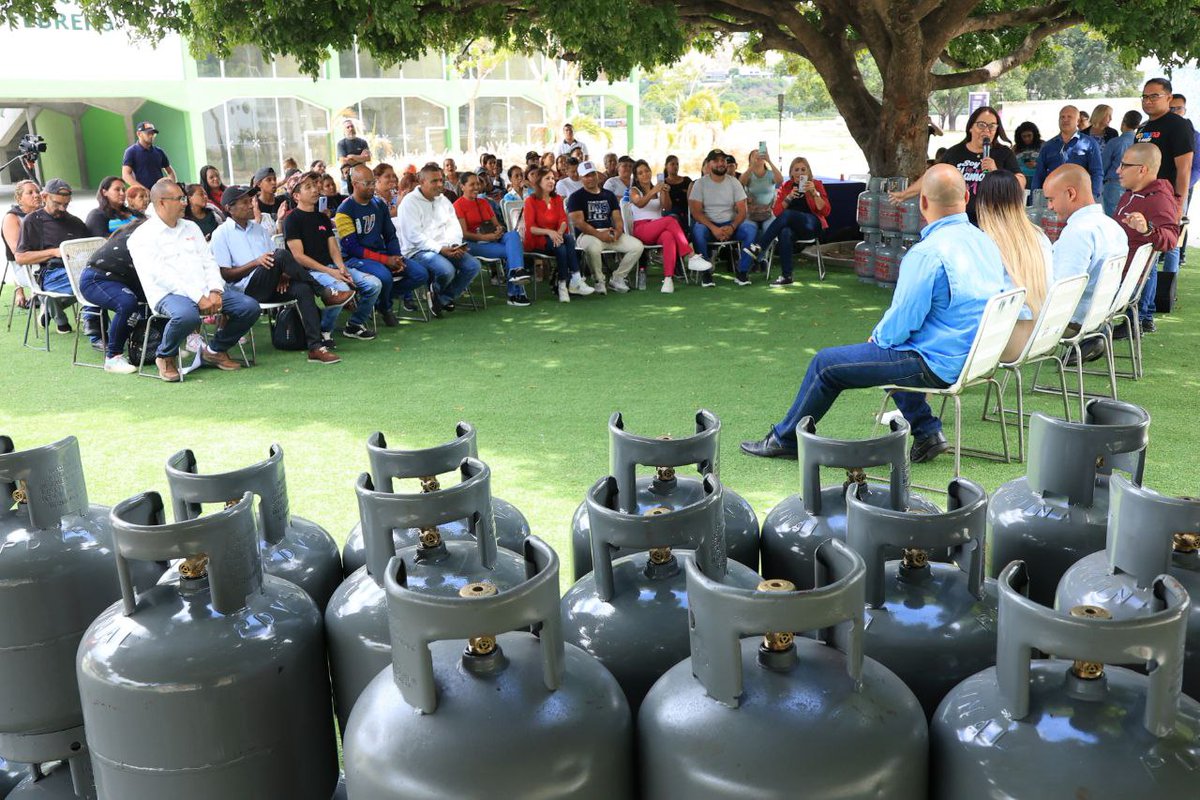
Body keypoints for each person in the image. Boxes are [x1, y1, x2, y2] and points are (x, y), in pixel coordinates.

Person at [741, 165, 1006, 464]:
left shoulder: (927, 253)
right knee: (893, 348)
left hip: (940, 364)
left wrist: (878, 338)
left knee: (826, 364)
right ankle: (927, 431)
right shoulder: (986, 242)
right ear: (967, 198)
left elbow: (903, 319)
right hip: (978, 357)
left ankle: (785, 439)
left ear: (922, 203)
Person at [127, 178, 259, 381]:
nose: (185, 202)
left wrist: (216, 290)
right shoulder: (142, 236)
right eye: (179, 198)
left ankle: (215, 350)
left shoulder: (191, 227)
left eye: (184, 198)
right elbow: (163, 276)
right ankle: (165, 356)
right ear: (161, 202)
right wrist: (199, 297)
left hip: (205, 289)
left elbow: (209, 261)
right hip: (168, 294)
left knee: (249, 307)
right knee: (187, 316)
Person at [210, 181, 340, 364]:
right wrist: (256, 263)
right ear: (229, 208)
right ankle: (323, 291)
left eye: (251, 200)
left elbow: (278, 261)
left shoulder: (259, 229)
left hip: (271, 284)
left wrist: (283, 275)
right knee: (280, 255)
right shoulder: (221, 234)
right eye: (245, 202)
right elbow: (226, 275)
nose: (251, 205)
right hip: (246, 291)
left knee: (302, 288)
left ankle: (316, 347)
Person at [1043, 164, 1129, 362]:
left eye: (1051, 199)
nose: (1049, 206)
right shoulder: (1113, 227)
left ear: (1071, 193)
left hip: (1072, 320)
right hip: (1099, 315)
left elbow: (1061, 290)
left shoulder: (1078, 232)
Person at [286, 175, 382, 346]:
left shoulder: (322, 217)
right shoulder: (292, 219)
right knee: (341, 290)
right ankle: (324, 330)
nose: (315, 189)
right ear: (296, 196)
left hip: (332, 267)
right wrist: (331, 272)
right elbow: (298, 256)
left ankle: (354, 324)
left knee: (374, 284)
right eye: (308, 187)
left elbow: (333, 247)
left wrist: (341, 268)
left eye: (315, 185)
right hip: (311, 272)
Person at [890, 106, 1023, 223]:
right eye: (981, 125)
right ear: (971, 127)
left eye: (992, 126)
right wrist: (905, 194)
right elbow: (933, 176)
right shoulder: (955, 153)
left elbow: (1020, 182)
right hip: (959, 221)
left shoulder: (1004, 153)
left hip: (993, 220)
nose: (986, 130)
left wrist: (996, 172)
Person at [1133, 78, 1193, 329]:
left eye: (1154, 96)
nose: (1148, 101)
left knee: (1150, 254)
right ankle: (1138, 313)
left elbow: (1184, 169)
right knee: (1141, 254)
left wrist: (1178, 206)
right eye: (1145, 96)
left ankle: (1144, 316)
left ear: (1168, 98)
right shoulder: (1144, 126)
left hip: (1163, 201)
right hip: (1139, 198)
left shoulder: (1178, 126)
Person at [975, 170, 1052, 362]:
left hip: (1001, 342)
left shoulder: (984, 243)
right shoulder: (1040, 237)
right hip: (1040, 337)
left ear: (982, 202)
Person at [335, 164, 418, 330]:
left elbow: (390, 235)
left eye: (373, 182)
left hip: (382, 256)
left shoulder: (379, 204)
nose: (373, 187)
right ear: (355, 183)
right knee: (385, 276)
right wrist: (386, 260)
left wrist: (396, 257)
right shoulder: (344, 210)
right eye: (368, 183)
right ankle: (385, 307)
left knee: (419, 274)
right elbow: (353, 249)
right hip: (355, 259)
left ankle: (381, 300)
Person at [396, 163, 482, 314]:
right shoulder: (409, 203)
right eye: (434, 181)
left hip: (446, 247)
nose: (439, 184)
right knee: (446, 270)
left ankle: (442, 298)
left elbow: (454, 226)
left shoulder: (443, 200)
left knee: (473, 266)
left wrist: (454, 245)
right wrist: (440, 249)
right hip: (418, 251)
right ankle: (436, 292)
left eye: (441, 180)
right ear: (422, 182)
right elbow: (414, 236)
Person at [1113, 143, 1180, 333]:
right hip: (1117, 275)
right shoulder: (1131, 194)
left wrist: (1146, 230)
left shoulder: (1158, 199)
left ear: (1142, 169)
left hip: (1121, 283)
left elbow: (1171, 240)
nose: (1118, 170)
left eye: (1124, 165)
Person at [15, 178, 90, 334]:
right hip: (49, 274)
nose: (62, 208)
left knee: (96, 279)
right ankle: (93, 328)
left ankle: (52, 311)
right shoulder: (33, 221)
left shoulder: (75, 222)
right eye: (57, 204)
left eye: (66, 204)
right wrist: (54, 252)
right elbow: (20, 258)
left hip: (77, 271)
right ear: (44, 197)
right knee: (89, 282)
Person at [627, 159, 711, 293]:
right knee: (671, 220)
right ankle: (691, 255)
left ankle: (668, 280)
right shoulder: (634, 190)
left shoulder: (658, 188)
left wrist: (664, 192)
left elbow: (667, 207)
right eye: (640, 173)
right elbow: (640, 203)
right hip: (642, 229)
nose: (645, 174)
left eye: (647, 171)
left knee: (669, 237)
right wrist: (653, 190)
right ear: (636, 177)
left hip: (658, 227)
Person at [744, 157, 830, 286]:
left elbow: (826, 211)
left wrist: (814, 193)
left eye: (803, 169)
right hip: (794, 229)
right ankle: (787, 276)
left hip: (812, 225)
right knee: (785, 231)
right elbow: (777, 213)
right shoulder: (786, 186)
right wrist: (789, 197)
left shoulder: (816, 184)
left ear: (808, 172)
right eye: (796, 170)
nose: (800, 173)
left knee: (788, 214)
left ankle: (761, 246)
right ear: (791, 173)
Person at [78, 217, 148, 374]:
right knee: (127, 303)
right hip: (96, 279)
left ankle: (160, 346)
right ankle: (113, 357)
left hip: (124, 281)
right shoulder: (141, 235)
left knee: (161, 298)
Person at [454, 173, 531, 307]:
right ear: (462, 186)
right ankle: (515, 293)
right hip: (473, 243)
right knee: (512, 252)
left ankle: (516, 272)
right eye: (472, 184)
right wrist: (485, 237)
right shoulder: (458, 205)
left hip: (492, 238)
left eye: (477, 183)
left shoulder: (484, 202)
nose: (476, 187)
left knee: (513, 235)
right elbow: (464, 234)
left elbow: (496, 224)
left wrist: (499, 230)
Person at [567, 161, 643, 293]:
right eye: (586, 176)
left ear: (597, 175)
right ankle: (599, 281)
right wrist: (599, 234)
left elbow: (617, 217)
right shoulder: (575, 197)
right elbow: (579, 223)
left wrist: (618, 231)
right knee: (594, 247)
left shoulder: (608, 195)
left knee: (637, 246)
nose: (590, 178)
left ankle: (618, 278)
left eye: (592, 174)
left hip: (609, 233)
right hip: (587, 235)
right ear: (581, 178)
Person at [523, 168, 593, 302]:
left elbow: (563, 220)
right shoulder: (530, 201)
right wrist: (550, 232)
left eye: (553, 179)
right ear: (539, 182)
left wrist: (559, 233)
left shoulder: (557, 199)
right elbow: (530, 228)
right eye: (547, 178)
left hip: (557, 238)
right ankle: (570, 282)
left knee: (565, 240)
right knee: (562, 244)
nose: (551, 181)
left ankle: (567, 284)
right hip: (537, 239)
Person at [689, 148, 757, 285]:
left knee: (751, 228)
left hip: (731, 225)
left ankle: (742, 272)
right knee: (698, 230)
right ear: (708, 164)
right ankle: (706, 273)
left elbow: (743, 211)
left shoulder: (734, 182)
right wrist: (713, 228)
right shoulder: (700, 184)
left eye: (723, 160)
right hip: (709, 226)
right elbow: (696, 212)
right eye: (716, 160)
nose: (721, 163)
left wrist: (732, 227)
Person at [1032, 106, 1103, 200]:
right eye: (1062, 117)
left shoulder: (1089, 144)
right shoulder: (1048, 146)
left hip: (1080, 197)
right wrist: (1035, 198)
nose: (1065, 120)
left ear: (1078, 121)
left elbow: (1097, 172)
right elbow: (1039, 174)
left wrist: (1093, 195)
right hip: (1053, 199)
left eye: (1069, 117)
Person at [1169, 93, 1200, 264]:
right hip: (1160, 187)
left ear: (1184, 110)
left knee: (1179, 224)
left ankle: (1179, 256)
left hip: (1183, 187)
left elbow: (1197, 167)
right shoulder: (1159, 129)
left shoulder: (1194, 135)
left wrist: (1185, 184)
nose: (1174, 111)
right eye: (1171, 108)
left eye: (1178, 108)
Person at [2, 179, 40, 311]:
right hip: (25, 268)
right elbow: (18, 253)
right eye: (30, 193)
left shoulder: (45, 213)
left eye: (37, 191)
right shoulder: (12, 218)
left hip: (47, 261)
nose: (36, 195)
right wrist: (19, 290)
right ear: (19, 198)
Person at [740, 148, 784, 255]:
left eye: (760, 155)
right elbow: (741, 182)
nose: (758, 157)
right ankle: (746, 258)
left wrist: (769, 161)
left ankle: (762, 258)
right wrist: (752, 167)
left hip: (768, 213)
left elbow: (780, 180)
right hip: (750, 213)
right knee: (749, 230)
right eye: (754, 156)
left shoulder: (770, 174)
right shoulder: (748, 174)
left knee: (770, 228)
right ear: (750, 160)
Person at [1101, 111, 1141, 216]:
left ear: (1123, 122)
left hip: (1114, 183)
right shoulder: (1140, 142)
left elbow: (1103, 165)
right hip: (1135, 184)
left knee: (1113, 216)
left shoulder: (1115, 142)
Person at [121, 121, 176, 190]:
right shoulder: (131, 151)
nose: (151, 136)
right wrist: (144, 190)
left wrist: (173, 186)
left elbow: (170, 171)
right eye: (148, 133)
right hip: (144, 197)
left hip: (160, 193)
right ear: (139, 134)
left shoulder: (159, 151)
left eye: (153, 133)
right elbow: (126, 175)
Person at [337, 119, 371, 192]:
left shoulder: (362, 142)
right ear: (344, 130)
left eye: (352, 126)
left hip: (362, 178)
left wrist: (352, 157)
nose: (351, 128)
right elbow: (343, 160)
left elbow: (368, 158)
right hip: (347, 178)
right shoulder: (341, 144)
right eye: (348, 127)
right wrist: (361, 159)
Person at [662, 155, 692, 230]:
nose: (675, 166)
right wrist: (666, 191)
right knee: (673, 218)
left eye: (677, 164)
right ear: (666, 166)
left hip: (686, 213)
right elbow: (666, 207)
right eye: (672, 164)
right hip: (671, 214)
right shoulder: (663, 183)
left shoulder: (687, 181)